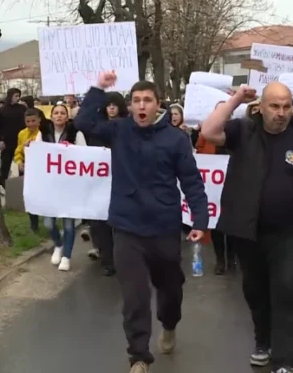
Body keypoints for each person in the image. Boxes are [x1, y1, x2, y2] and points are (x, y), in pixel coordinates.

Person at [75, 72, 209, 373]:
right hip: (127, 227)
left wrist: (200, 219)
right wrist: (99, 88)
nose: (141, 105)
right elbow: (83, 122)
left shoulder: (175, 139)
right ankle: (138, 356)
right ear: (130, 106)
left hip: (164, 227)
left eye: (147, 100)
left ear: (157, 105)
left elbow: (191, 181)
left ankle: (170, 323)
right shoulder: (119, 130)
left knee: (170, 289)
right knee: (135, 296)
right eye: (135, 101)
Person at [200, 82, 293, 373]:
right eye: (274, 106)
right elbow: (209, 132)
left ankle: (285, 361)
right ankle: (263, 341)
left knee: (286, 291)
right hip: (249, 232)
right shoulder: (244, 131)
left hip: (291, 233)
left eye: (287, 106)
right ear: (261, 107)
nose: (281, 112)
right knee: (256, 291)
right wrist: (236, 98)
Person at [81, 91, 129, 275]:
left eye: (114, 105)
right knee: (100, 225)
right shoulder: (97, 129)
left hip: (120, 183)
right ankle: (108, 261)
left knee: (120, 226)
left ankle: (122, 259)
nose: (111, 108)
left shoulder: (127, 127)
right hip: (99, 184)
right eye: (108, 105)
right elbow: (81, 123)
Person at [40, 103, 87, 271]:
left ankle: (66, 256)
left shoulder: (76, 133)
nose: (59, 115)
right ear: (51, 116)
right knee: (49, 223)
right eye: (56, 113)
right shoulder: (44, 134)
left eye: (62, 113)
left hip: (70, 186)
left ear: (67, 117)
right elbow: (39, 155)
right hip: (51, 186)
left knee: (68, 224)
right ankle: (58, 245)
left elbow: (85, 155)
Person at [195, 102, 235, 275]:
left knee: (232, 223)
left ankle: (232, 258)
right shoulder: (207, 130)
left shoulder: (235, 130)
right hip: (213, 185)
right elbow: (199, 149)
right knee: (217, 224)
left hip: (232, 183)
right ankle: (220, 260)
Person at [15, 107, 43, 232]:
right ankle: (34, 224)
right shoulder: (22, 134)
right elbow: (18, 150)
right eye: (28, 121)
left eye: (33, 121)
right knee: (29, 196)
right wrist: (19, 162)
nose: (31, 124)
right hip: (27, 168)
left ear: (39, 121)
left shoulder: (42, 133)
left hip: (41, 168)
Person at [0, 88, 26, 193]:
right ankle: (2, 182)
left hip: (21, 140)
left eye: (18, 96)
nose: (17, 98)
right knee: (5, 163)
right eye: (15, 96)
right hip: (7, 140)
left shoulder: (22, 109)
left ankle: (23, 183)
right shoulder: (2, 110)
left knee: (22, 162)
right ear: (10, 96)